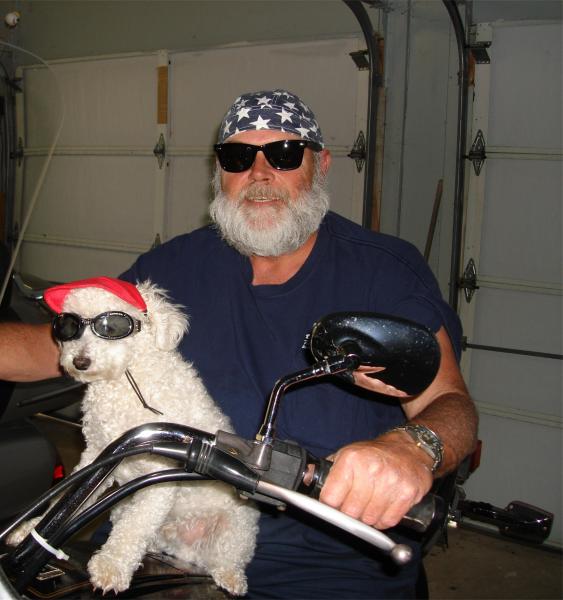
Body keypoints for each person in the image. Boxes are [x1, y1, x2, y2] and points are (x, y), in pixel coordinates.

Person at [0, 89, 477, 598]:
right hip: (162, 546)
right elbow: (66, 345)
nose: (259, 172)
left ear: (320, 165)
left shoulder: (383, 271)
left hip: (328, 568)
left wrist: (412, 447)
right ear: (219, 171)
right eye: (238, 156)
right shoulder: (173, 266)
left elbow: (451, 403)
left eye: (284, 154)